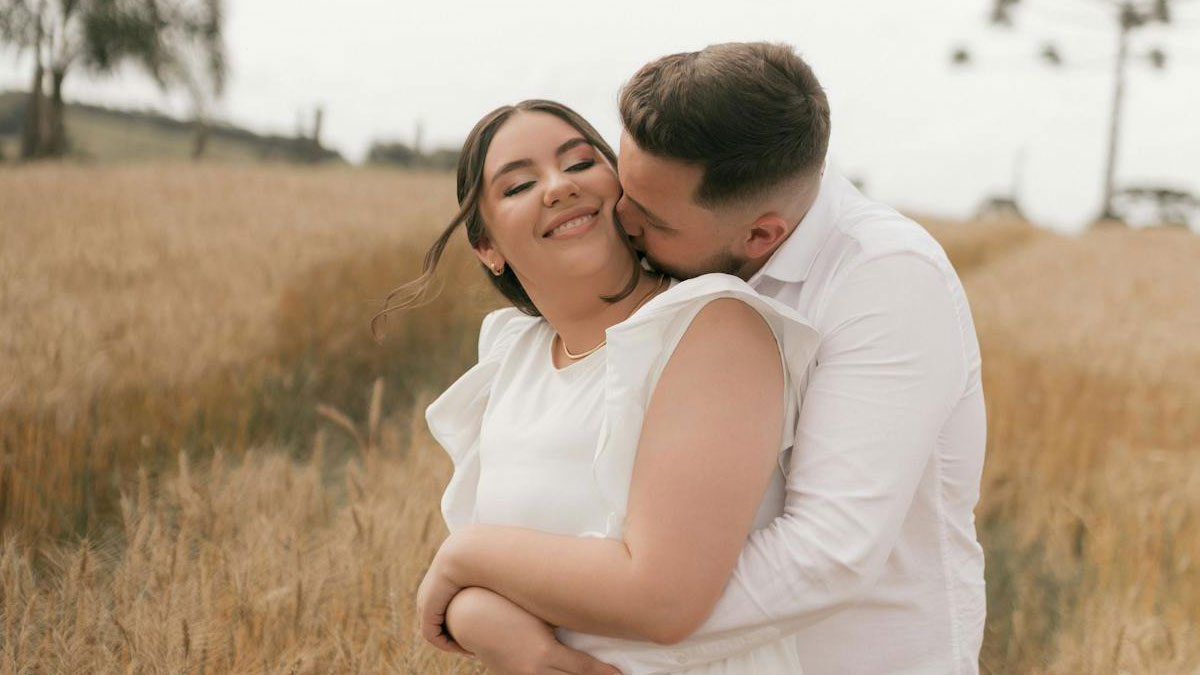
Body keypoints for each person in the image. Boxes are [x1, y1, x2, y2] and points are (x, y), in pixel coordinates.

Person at [416, 42, 988, 675]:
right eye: (625, 186)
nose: (621, 218)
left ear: (760, 236)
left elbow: (828, 553)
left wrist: (549, 639)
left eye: (651, 216)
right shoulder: (528, 348)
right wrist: (484, 613)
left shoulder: (880, 280)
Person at [377, 97, 823, 674]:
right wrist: (500, 633)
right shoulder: (514, 357)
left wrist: (460, 558)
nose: (559, 187)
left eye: (581, 163)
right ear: (486, 248)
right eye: (517, 186)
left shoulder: (708, 328)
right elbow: (480, 588)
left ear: (624, 187)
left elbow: (664, 598)